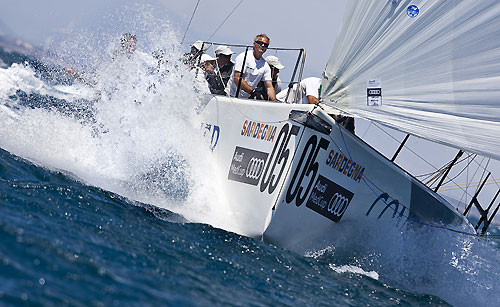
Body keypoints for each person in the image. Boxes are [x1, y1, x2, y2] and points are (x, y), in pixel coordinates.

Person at [226, 34, 276, 100]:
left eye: (266, 45)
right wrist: (253, 92)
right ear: (254, 44)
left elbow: (269, 86)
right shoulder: (243, 57)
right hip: (231, 96)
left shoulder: (265, 65)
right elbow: (237, 79)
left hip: (246, 98)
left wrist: (274, 101)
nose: (263, 45)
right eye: (260, 43)